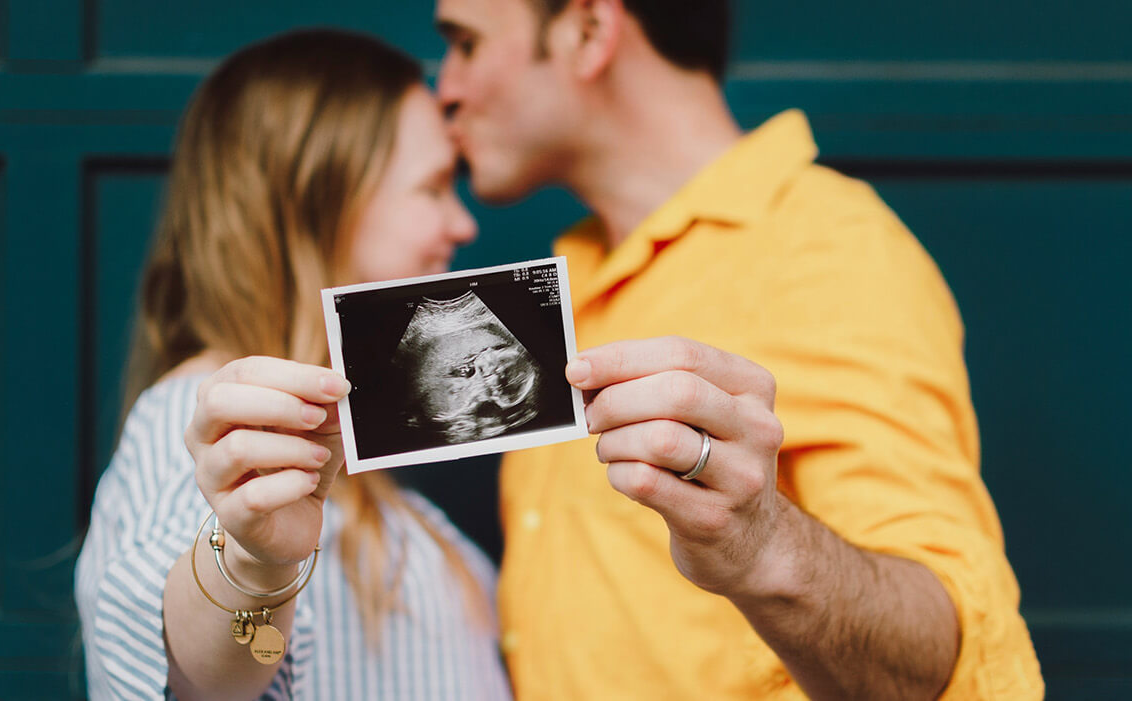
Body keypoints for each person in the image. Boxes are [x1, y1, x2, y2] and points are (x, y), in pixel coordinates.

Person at [433, 0, 1044, 698]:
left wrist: (763, 547)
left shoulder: (828, 251)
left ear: (589, 30)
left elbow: (941, 658)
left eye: (466, 43)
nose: (444, 86)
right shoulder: (565, 286)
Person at [75, 30, 511, 700]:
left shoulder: (345, 458)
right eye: (432, 188)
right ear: (317, 203)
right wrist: (254, 562)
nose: (463, 224)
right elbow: (194, 672)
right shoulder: (208, 423)